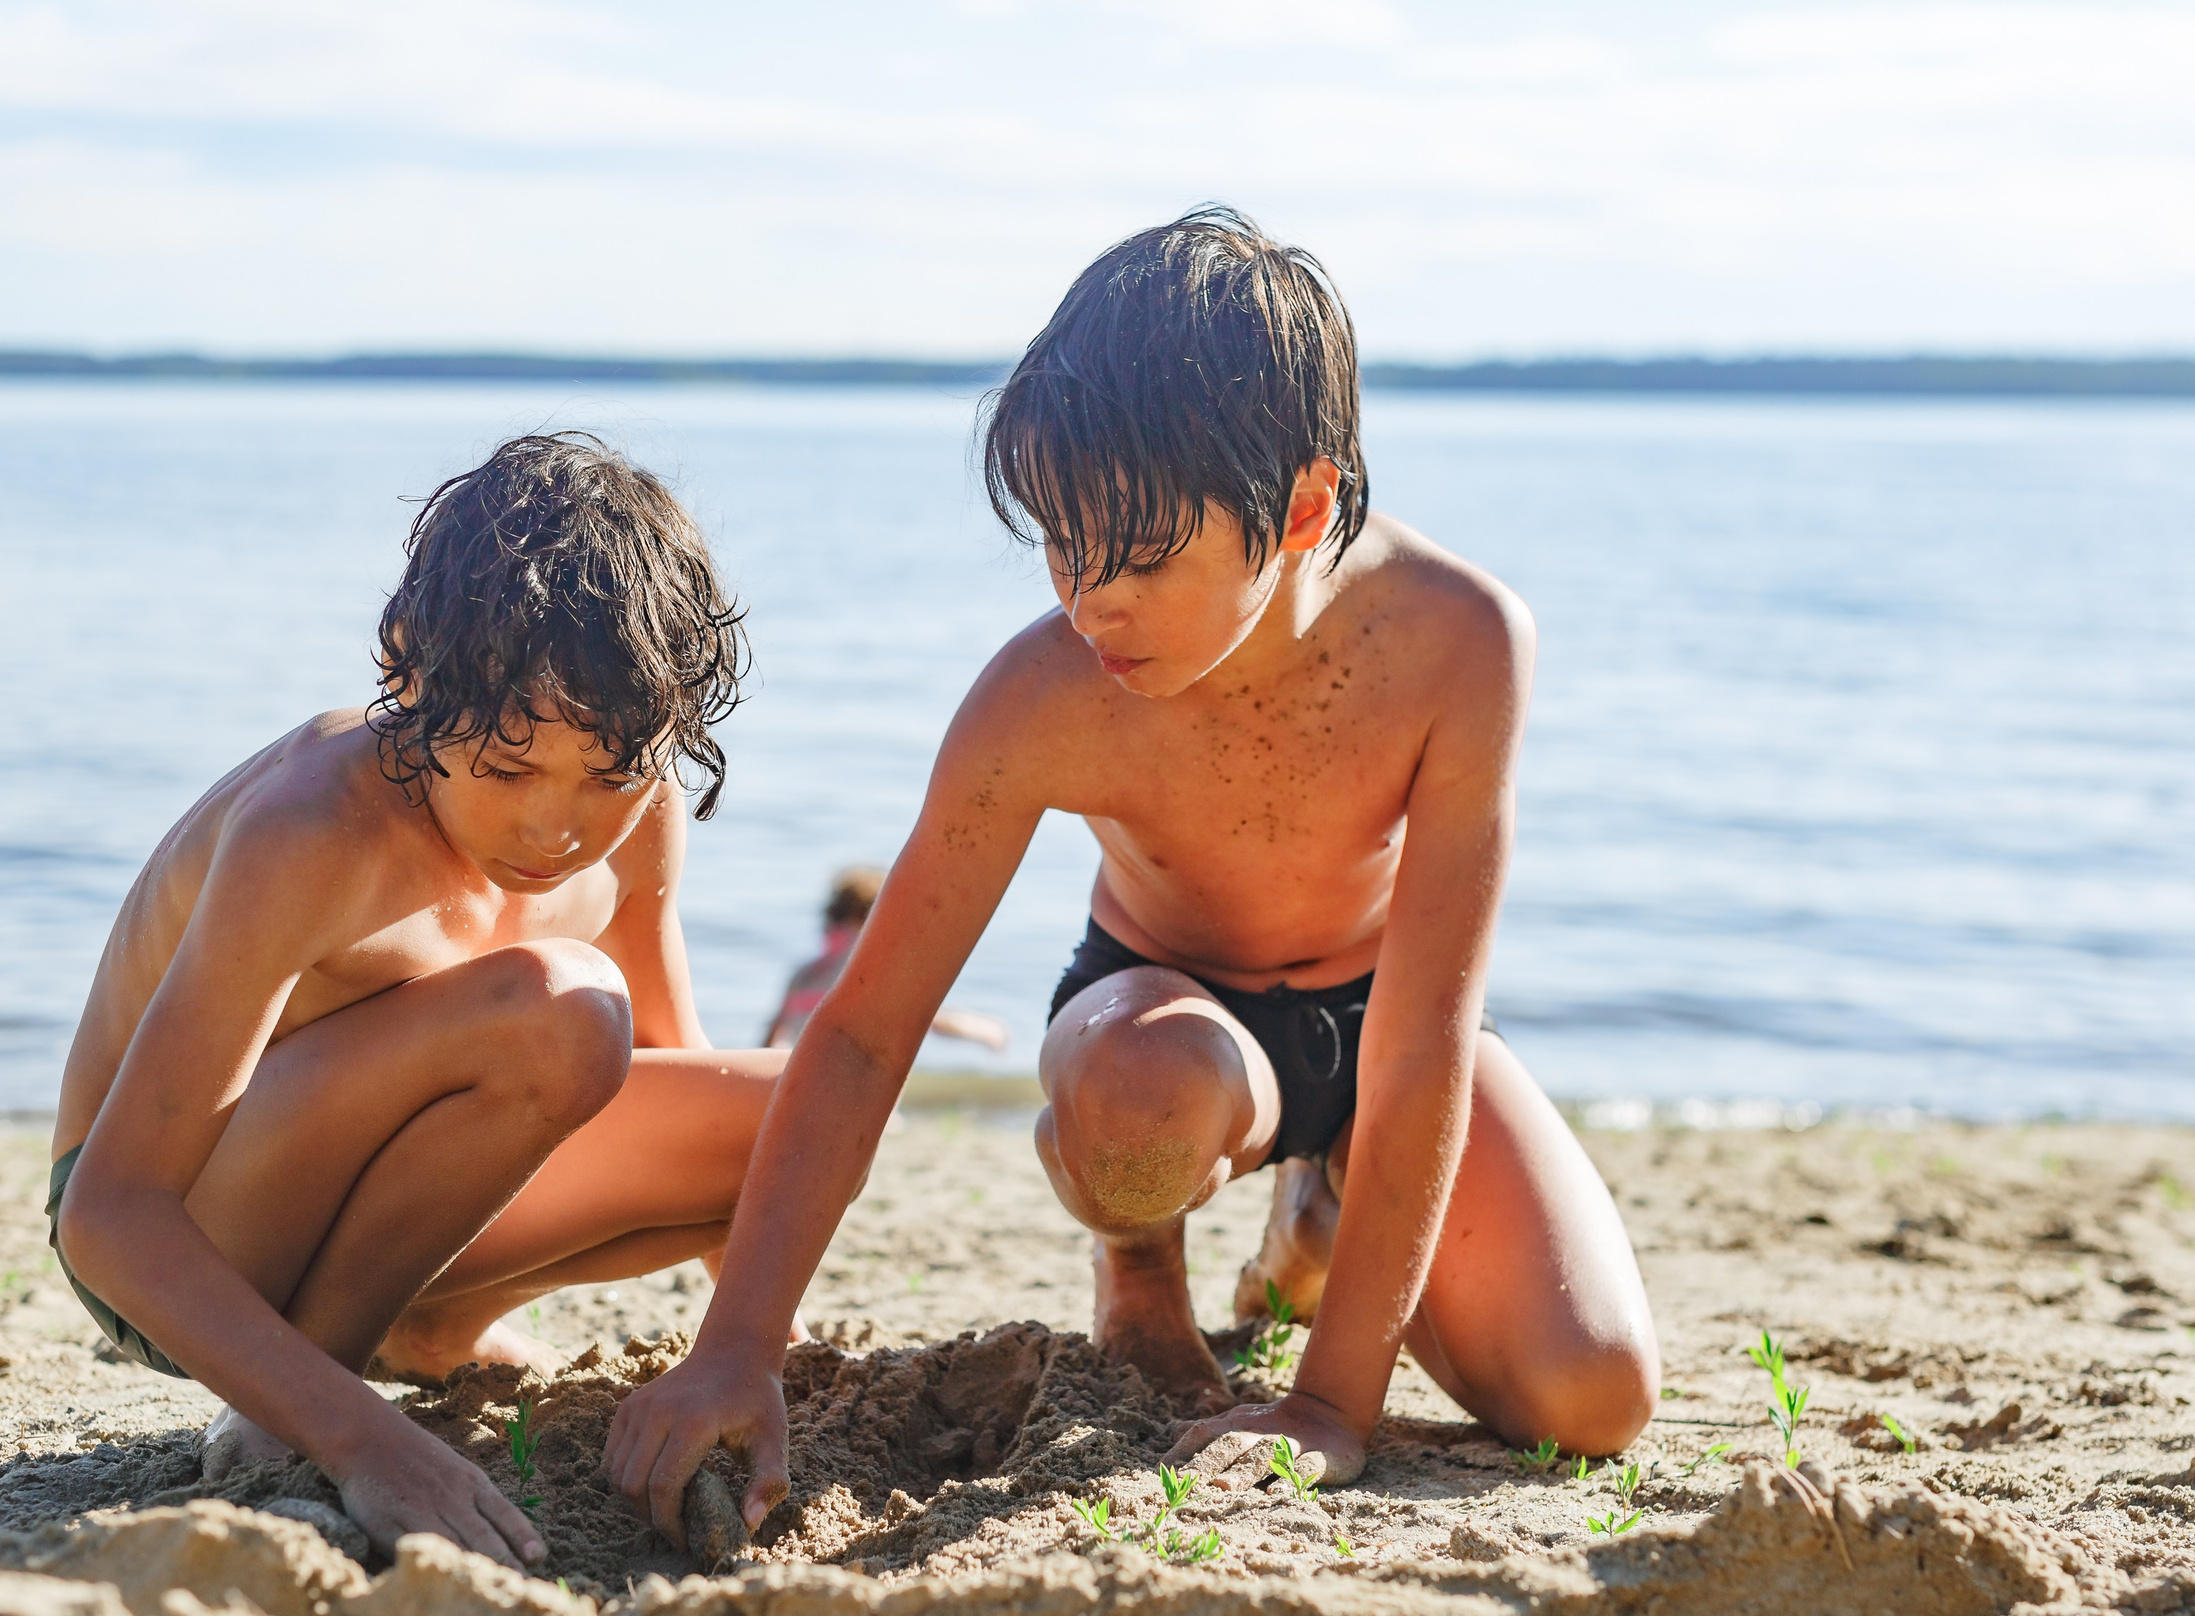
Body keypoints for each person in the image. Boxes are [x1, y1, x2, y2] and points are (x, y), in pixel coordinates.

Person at [605, 208, 1660, 1546]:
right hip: (1162, 1017)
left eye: (1142, 557)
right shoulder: (1042, 696)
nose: (1089, 600)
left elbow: (1422, 1045)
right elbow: (866, 1033)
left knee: (1593, 1392)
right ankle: (1139, 1262)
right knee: (1142, 1104)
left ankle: (1318, 1214)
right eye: (1061, 541)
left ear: (1303, 508)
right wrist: (736, 1345)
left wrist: (1328, 1404)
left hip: (1385, 1021)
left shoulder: (1461, 641)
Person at [49, 433, 785, 1568]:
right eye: (508, 769)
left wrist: (749, 1354)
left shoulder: (639, 817)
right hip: (181, 1243)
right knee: (564, 1009)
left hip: (386, 1222)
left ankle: (431, 1325)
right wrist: (361, 1441)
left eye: (610, 775)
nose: (556, 827)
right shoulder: (313, 831)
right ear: (408, 674)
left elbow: (677, 1078)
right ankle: (301, 1396)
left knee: (796, 1117)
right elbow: (109, 1215)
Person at [764, 866, 1011, 1052]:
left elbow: (773, 1034)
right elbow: (932, 1020)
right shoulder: (874, 972)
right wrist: (985, 1030)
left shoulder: (805, 974)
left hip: (798, 1077)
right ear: (878, 919)